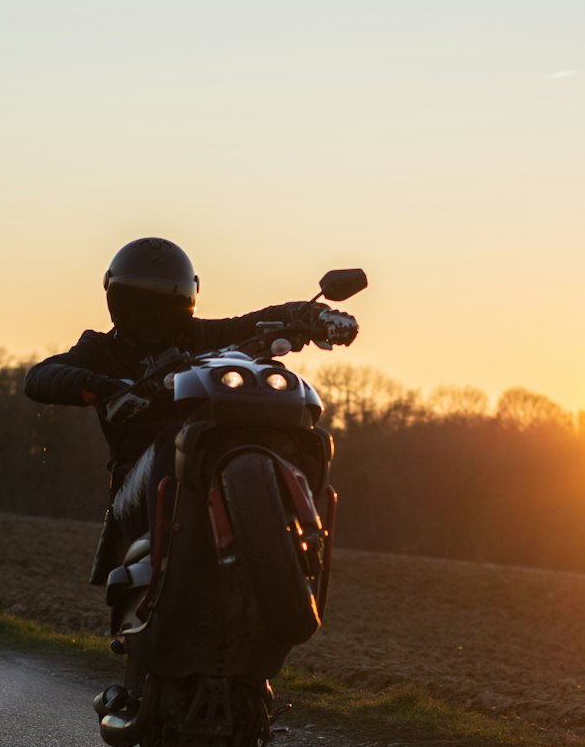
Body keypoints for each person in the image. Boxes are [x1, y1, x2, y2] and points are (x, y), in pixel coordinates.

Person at [24, 236, 357, 581]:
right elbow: (40, 376)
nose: (153, 313)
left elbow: (257, 322)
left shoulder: (202, 336)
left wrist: (316, 315)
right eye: (140, 301)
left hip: (207, 471)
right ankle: (160, 568)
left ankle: (303, 540)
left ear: (189, 297)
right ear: (117, 300)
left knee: (308, 436)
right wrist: (103, 388)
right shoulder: (100, 349)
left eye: (168, 299)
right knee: (175, 436)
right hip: (135, 496)